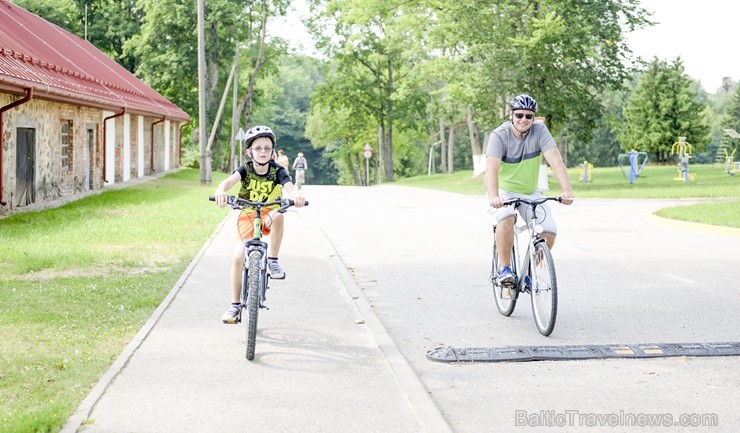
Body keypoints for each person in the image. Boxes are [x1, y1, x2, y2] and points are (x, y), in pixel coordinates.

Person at [213, 125, 306, 324]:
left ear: (273, 151)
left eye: (267, 148)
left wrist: (296, 195)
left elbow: (289, 187)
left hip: (269, 211)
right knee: (238, 257)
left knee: (280, 215)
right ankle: (235, 305)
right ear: (249, 151)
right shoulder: (245, 169)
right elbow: (228, 182)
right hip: (247, 213)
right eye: (258, 148)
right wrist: (221, 191)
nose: (262, 151)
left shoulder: (277, 170)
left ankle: (272, 259)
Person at [485, 94, 574, 285]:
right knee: (506, 217)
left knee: (549, 231)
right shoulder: (499, 135)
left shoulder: (540, 131)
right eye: (519, 115)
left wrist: (566, 190)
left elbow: (556, 162)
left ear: (534, 118)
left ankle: (529, 273)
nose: (524, 120)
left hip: (530, 192)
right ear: (511, 115)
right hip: (504, 192)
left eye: (528, 116)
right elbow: (491, 170)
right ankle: (504, 269)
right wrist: (494, 196)